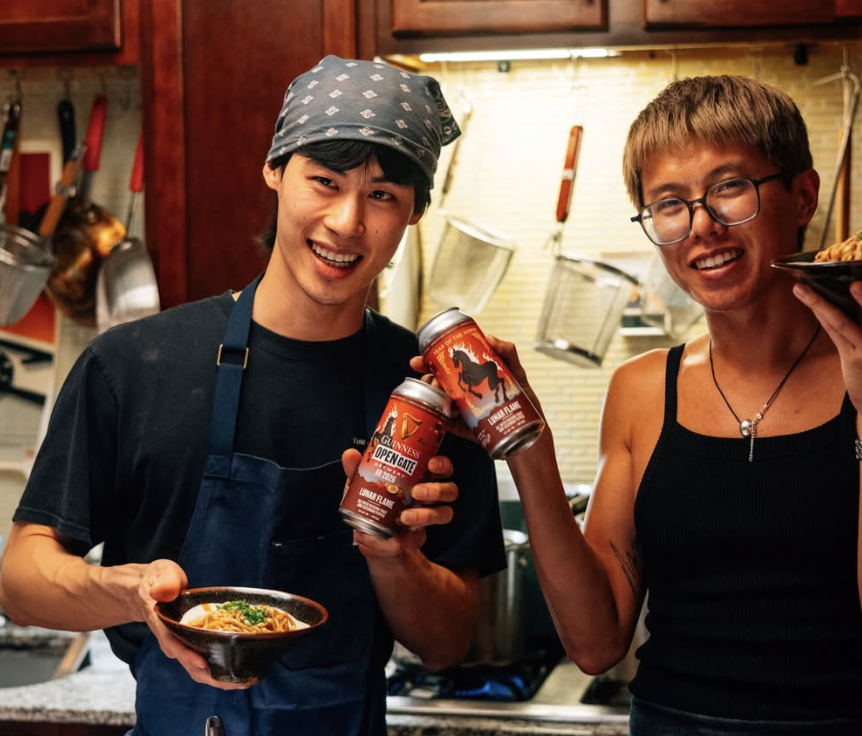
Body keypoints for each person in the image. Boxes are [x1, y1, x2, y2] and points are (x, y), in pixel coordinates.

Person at [0, 55, 506, 736]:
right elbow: (20, 581)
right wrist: (131, 593)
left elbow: (447, 646)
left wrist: (396, 555)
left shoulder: (428, 396)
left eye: (383, 195)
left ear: (415, 211)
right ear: (274, 169)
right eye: (324, 181)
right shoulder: (131, 366)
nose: (347, 221)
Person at [466, 75, 862, 734]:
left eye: (730, 187)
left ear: (803, 195)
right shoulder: (642, 390)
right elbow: (595, 644)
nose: (701, 225)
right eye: (670, 203)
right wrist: (527, 446)